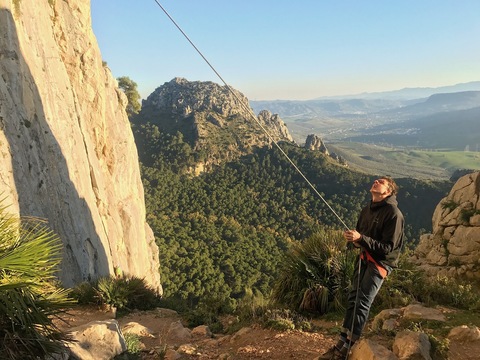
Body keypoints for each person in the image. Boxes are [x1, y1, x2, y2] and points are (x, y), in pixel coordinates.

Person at [319, 176, 404, 360]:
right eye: (376, 180)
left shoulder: (394, 214)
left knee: (362, 301)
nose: (376, 181)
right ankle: (342, 341)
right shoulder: (367, 210)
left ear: (388, 191)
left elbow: (388, 248)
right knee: (353, 298)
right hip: (364, 258)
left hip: (380, 263)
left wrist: (361, 239)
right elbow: (361, 237)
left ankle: (350, 344)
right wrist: (354, 241)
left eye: (381, 182)